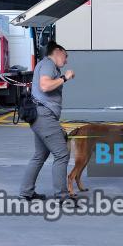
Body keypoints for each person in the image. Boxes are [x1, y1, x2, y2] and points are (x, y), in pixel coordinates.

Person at [20, 41, 75, 202]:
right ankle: (62, 197)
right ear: (57, 51)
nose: (66, 60)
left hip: (41, 115)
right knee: (62, 154)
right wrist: (65, 77)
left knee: (40, 155)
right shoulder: (48, 64)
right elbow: (45, 86)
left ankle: (26, 192)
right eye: (65, 55)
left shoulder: (47, 65)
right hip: (44, 115)